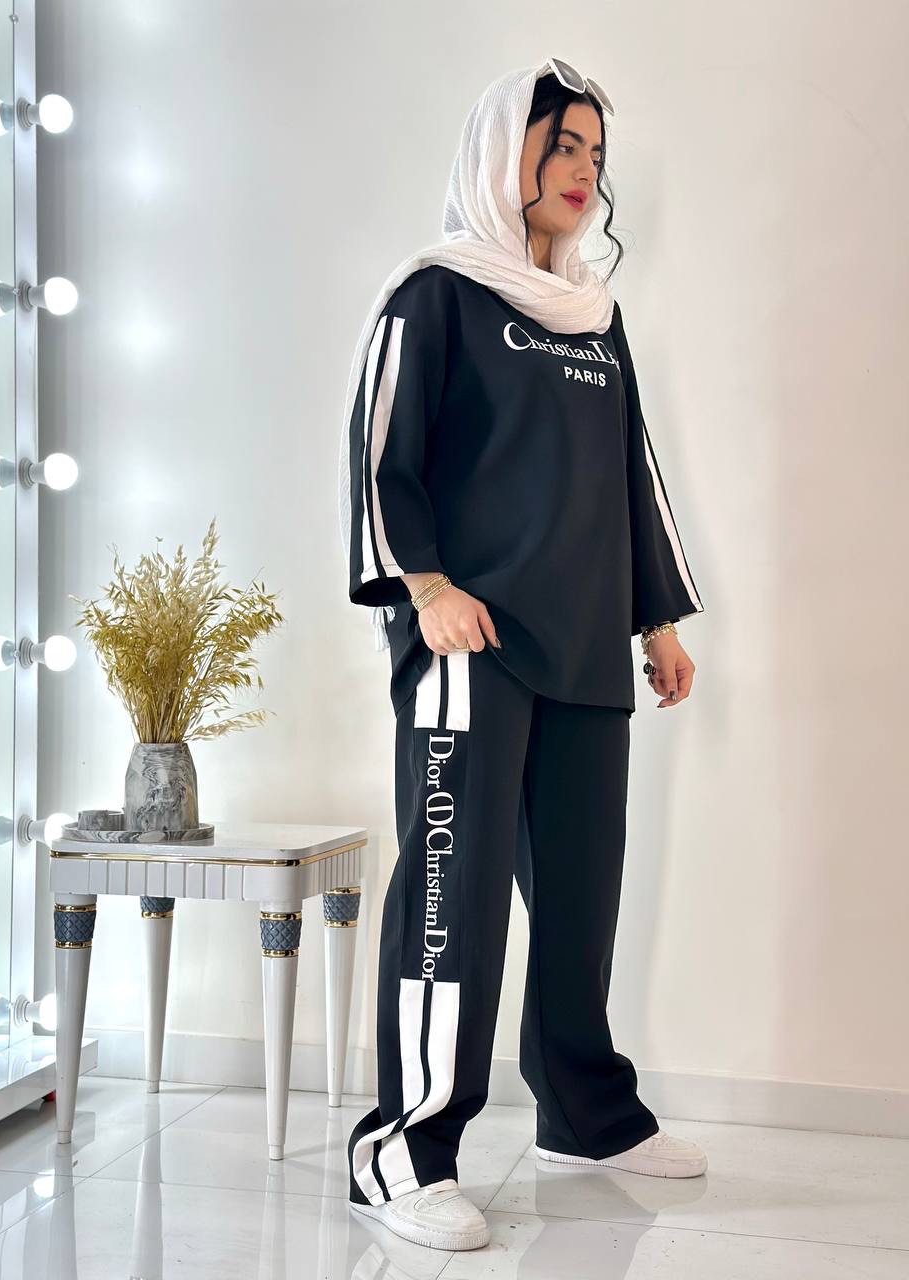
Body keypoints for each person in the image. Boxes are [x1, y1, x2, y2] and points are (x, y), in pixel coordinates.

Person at [336, 55, 707, 1254]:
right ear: (507, 153)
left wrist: (656, 617)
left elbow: (630, 471)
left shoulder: (596, 317)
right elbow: (379, 448)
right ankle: (404, 1146)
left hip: (586, 639)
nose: (582, 171)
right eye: (562, 145)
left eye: (595, 151)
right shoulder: (435, 293)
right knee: (454, 903)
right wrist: (427, 586)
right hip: (473, 641)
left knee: (582, 897)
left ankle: (585, 1114)